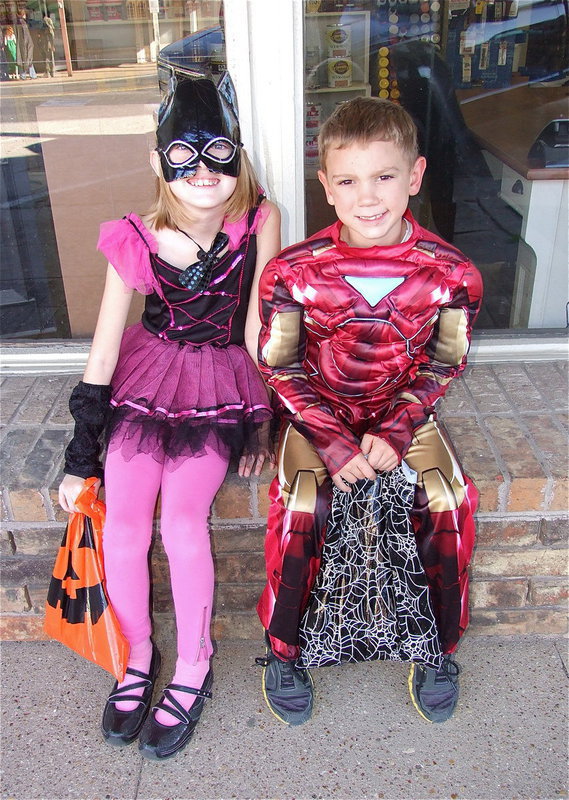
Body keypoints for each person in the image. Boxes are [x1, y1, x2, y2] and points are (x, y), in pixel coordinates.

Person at [58, 73, 280, 760]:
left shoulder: (258, 221)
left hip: (218, 383)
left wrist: (268, 419)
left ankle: (193, 665)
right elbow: (101, 355)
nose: (203, 171)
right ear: (159, 164)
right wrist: (79, 453)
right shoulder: (135, 240)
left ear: (236, 154)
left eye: (217, 151)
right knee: (124, 527)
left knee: (182, 521)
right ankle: (137, 657)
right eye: (182, 156)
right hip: (147, 377)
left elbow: (257, 332)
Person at [255, 96, 482, 726]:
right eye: (349, 180)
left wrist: (400, 426)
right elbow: (281, 364)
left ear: (414, 176)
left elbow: (445, 361)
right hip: (319, 417)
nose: (368, 197)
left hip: (402, 416)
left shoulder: (453, 274)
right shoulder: (293, 272)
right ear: (325, 186)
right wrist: (330, 441)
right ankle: (283, 649)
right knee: (303, 503)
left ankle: (437, 646)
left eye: (385, 176)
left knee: (447, 500)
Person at [15, 10, 35, 79]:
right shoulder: (22, 22)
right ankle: (29, 75)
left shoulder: (19, 22)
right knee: (27, 59)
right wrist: (28, 43)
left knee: (25, 59)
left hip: (23, 44)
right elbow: (25, 35)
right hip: (26, 44)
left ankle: (28, 74)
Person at [39, 12, 55, 77]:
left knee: (46, 57)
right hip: (47, 42)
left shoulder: (43, 24)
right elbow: (52, 36)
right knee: (49, 57)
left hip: (45, 42)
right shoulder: (49, 27)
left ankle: (48, 71)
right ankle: (50, 72)